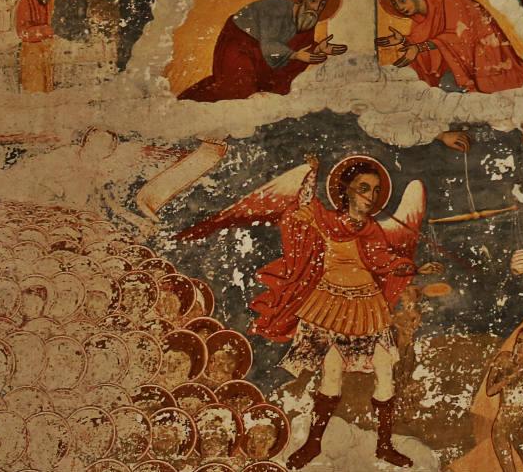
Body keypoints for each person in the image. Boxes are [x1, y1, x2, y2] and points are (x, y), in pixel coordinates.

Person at [176, 155, 432, 469]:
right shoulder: (326, 221)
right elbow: (302, 206)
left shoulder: (372, 229)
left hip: (368, 305)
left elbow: (383, 262)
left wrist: (412, 267)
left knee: (385, 373)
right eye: (364, 187)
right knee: (331, 376)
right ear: (346, 190)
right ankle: (313, 444)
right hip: (329, 306)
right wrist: (312, 174)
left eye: (376, 190)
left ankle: (384, 446)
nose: (371, 196)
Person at [180, 0, 346, 102]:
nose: (316, 7)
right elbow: (270, 44)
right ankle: (189, 104)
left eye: (322, 4)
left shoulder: (307, 19)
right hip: (239, 42)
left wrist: (318, 48)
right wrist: (295, 55)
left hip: (261, 52)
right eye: (313, 0)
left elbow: (300, 46)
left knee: (259, 90)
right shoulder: (276, 9)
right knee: (238, 89)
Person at [378, 0, 523, 94]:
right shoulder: (420, 20)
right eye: (395, 4)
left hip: (486, 57)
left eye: (403, 0)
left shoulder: (450, 2)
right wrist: (404, 41)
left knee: (484, 89)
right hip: (460, 68)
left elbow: (458, 37)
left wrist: (419, 47)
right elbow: (423, 40)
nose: (400, 7)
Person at [483, 325, 523, 472]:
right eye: (518, 342)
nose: (519, 348)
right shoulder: (504, 359)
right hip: (501, 429)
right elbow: (490, 391)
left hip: (519, 427)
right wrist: (510, 378)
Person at [15, 0, 59, 94]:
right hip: (34, 53)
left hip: (57, 50)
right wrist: (50, 30)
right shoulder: (26, 0)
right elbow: (23, 32)